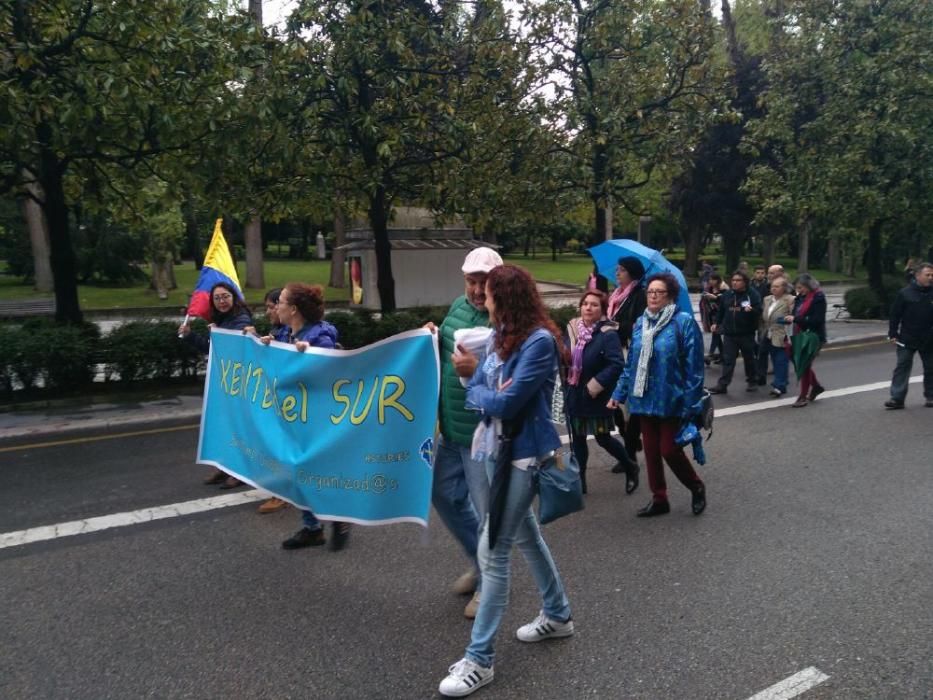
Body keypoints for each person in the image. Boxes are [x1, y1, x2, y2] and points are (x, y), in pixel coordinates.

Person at [438, 265, 572, 698]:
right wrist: (482, 386)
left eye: (490, 294)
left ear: (506, 299)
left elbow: (505, 402)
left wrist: (480, 389)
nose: (483, 299)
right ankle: (558, 614)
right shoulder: (502, 337)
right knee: (527, 537)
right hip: (498, 449)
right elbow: (481, 386)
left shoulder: (537, 342)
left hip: (524, 456)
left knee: (493, 551)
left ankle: (480, 660)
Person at [425, 246, 502, 620]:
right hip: (451, 430)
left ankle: (490, 583)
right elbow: (443, 351)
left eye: (483, 282)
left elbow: (512, 376)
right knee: (442, 494)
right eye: (471, 281)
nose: (475, 289)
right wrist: (431, 333)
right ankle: (478, 560)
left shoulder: (505, 317)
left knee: (489, 514)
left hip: (482, 434)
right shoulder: (457, 307)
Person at [260, 283, 351, 552]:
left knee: (317, 473)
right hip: (295, 419)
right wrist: (268, 348)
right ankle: (313, 528)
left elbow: (330, 371)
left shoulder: (320, 337)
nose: (277, 307)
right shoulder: (287, 334)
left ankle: (339, 518)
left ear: (294, 309)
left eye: (281, 302)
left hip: (318, 421)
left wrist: (311, 356)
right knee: (297, 473)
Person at [607, 273, 706, 518]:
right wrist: (618, 393)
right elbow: (631, 363)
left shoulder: (683, 322)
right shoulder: (641, 322)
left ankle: (696, 486)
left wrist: (691, 403)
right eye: (649, 291)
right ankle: (659, 498)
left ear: (670, 295)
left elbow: (694, 368)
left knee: (669, 450)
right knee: (650, 450)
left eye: (658, 292)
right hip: (643, 397)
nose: (652, 296)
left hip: (673, 398)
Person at [178, 281, 252, 489]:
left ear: (234, 297)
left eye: (225, 296)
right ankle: (224, 467)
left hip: (237, 383)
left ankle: (239, 472)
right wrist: (190, 335)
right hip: (223, 382)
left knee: (237, 428)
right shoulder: (220, 320)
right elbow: (212, 350)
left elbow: (232, 348)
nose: (221, 301)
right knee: (224, 427)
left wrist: (217, 335)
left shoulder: (241, 318)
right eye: (217, 298)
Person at [565, 290, 638, 495]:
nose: (588, 308)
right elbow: (565, 354)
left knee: (603, 438)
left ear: (602, 309)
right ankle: (580, 480)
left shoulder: (608, 333)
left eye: (594, 305)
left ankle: (630, 465)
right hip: (574, 392)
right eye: (585, 303)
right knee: (578, 438)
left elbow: (616, 364)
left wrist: (594, 385)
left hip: (594, 394)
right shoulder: (572, 328)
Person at [246, 288, 291, 514]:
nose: (268, 312)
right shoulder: (278, 331)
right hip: (280, 401)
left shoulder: (297, 332)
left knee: (283, 447)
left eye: (272, 306)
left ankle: (284, 493)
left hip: (291, 405)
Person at [607, 256, 648, 467]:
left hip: (630, 354)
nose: (617, 273)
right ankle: (630, 444)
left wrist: (616, 326)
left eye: (621, 270)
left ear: (632, 273)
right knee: (615, 407)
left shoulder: (640, 295)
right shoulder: (617, 296)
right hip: (612, 354)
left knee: (629, 408)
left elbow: (640, 327)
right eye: (617, 269)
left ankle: (630, 454)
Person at [884, 262, 933, 409]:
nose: (931, 277)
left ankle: (931, 397)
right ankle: (897, 398)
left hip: (930, 338)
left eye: (932, 275)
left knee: (931, 368)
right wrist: (893, 333)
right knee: (902, 366)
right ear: (918, 276)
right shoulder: (905, 293)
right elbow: (895, 314)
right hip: (907, 337)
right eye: (928, 275)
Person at [708, 270, 762, 394]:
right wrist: (716, 323)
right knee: (728, 360)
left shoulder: (752, 294)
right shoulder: (727, 295)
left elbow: (759, 311)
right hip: (729, 334)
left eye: (738, 280)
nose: (735, 283)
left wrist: (752, 310)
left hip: (746, 333)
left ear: (745, 282)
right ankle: (723, 385)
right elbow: (721, 310)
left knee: (749, 359)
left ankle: (752, 381)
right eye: (733, 280)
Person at [785, 274, 827, 408]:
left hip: (813, 336)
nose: (799, 290)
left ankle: (802, 396)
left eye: (801, 287)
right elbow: (797, 313)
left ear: (809, 286)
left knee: (804, 364)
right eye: (797, 288)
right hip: (799, 333)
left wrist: (796, 319)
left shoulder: (818, 298)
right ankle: (815, 386)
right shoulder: (800, 297)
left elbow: (817, 320)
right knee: (799, 362)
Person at [758, 277, 794, 397]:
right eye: (773, 286)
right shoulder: (767, 299)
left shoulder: (790, 299)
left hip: (782, 334)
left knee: (780, 360)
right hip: (768, 333)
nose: (773, 288)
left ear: (784, 288)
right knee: (772, 358)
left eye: (777, 286)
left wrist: (788, 319)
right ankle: (780, 381)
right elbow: (764, 317)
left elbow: (795, 316)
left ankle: (779, 386)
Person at [699, 273, 726, 365]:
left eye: (713, 279)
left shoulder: (723, 289)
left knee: (716, 334)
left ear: (717, 280)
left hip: (720, 316)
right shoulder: (709, 289)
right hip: (712, 315)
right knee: (716, 335)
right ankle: (722, 356)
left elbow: (725, 301)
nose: (710, 281)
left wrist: (715, 297)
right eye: (709, 279)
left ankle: (710, 354)